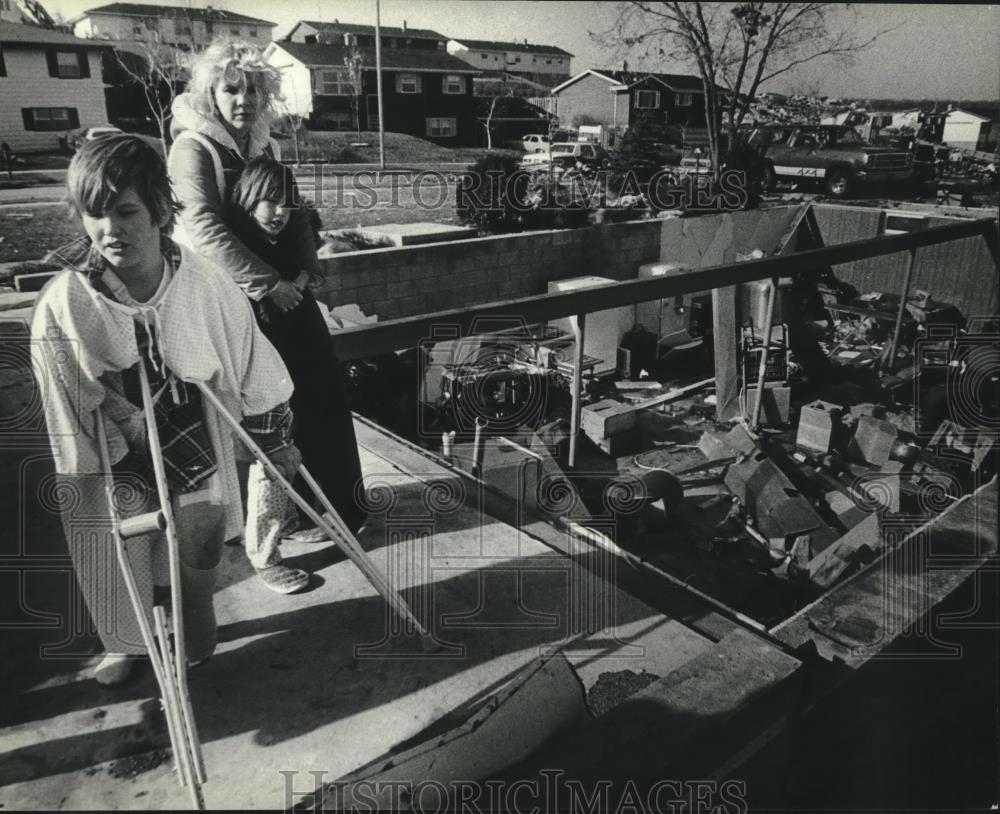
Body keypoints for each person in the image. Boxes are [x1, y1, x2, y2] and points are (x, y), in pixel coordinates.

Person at [31, 134, 302, 685]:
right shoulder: (66, 298)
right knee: (114, 535)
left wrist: (271, 428)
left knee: (201, 526)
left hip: (186, 418)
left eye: (127, 211)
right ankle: (125, 638)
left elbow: (247, 352)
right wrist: (103, 427)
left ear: (158, 210)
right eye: (94, 215)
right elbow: (62, 387)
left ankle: (196, 614)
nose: (111, 230)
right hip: (107, 430)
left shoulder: (202, 278)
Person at [167, 39, 366, 592]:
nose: (244, 100)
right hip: (237, 308)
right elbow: (203, 230)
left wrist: (304, 274)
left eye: (254, 90)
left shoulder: (265, 148)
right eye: (231, 88)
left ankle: (326, 510)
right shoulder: (193, 150)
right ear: (209, 91)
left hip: (287, 303)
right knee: (268, 428)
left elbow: (296, 212)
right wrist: (270, 284)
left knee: (321, 401)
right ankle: (266, 547)